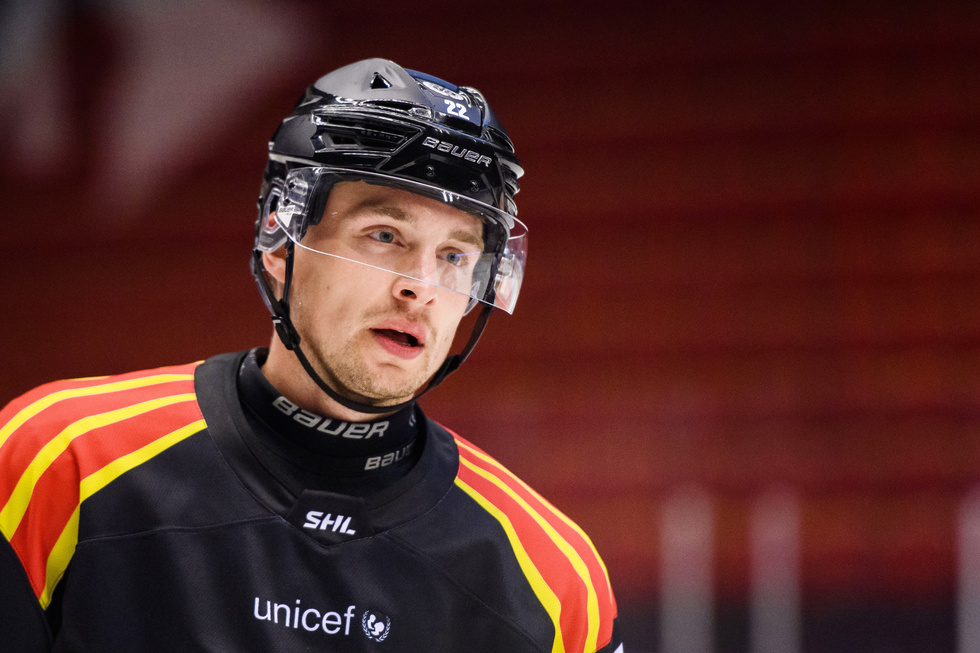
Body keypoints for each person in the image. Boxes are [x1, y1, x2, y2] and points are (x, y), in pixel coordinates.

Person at [0, 58, 622, 652]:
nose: (423, 288)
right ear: (280, 239)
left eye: (455, 256)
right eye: (385, 236)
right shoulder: (59, 460)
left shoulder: (554, 582)